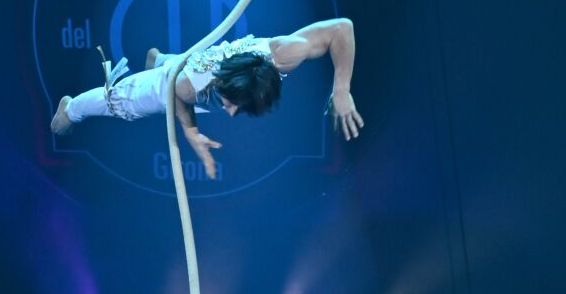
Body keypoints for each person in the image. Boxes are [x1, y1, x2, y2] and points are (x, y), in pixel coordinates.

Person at [50, 20, 362, 179]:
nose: (230, 113)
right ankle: (72, 108)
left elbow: (341, 29)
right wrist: (191, 133)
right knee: (125, 103)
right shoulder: (196, 82)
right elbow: (177, 95)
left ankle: (162, 60)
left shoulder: (283, 53)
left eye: (239, 107)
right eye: (231, 102)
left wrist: (342, 89)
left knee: (188, 70)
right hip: (182, 79)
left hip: (207, 65)